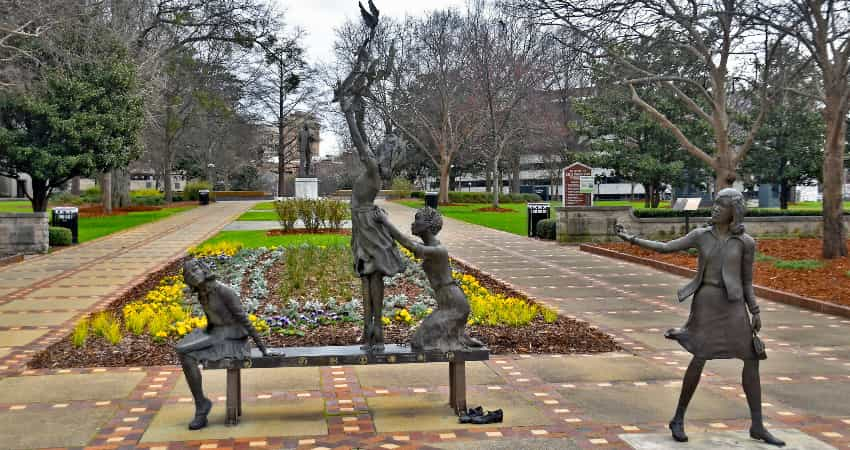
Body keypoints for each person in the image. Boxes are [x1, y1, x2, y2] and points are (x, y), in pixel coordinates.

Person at [616, 188, 784, 447]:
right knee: (700, 356)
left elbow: (747, 282)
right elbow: (665, 248)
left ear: (733, 212)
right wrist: (631, 239)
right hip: (707, 302)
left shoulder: (745, 243)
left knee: (751, 359)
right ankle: (678, 418)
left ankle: (758, 425)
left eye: (722, 205)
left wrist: (756, 310)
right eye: (715, 203)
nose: (715, 208)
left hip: (735, 305)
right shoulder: (700, 236)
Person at [176, 259, 269, 430]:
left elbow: (245, 321)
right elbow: (213, 319)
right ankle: (201, 404)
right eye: (189, 274)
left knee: (181, 349)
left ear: (204, 269)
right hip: (215, 332)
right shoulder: (203, 293)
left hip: (230, 338)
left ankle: (201, 407)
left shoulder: (224, 291)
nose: (193, 275)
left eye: (195, 270)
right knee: (185, 353)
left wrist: (264, 349)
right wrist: (202, 333)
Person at [376, 206, 482, 351]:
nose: (413, 223)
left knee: (423, 342)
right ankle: (456, 338)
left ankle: (456, 340)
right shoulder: (430, 247)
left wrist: (385, 222)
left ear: (427, 225)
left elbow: (410, 244)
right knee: (419, 341)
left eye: (417, 219)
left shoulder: (438, 251)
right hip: (446, 303)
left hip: (455, 305)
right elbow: (408, 242)